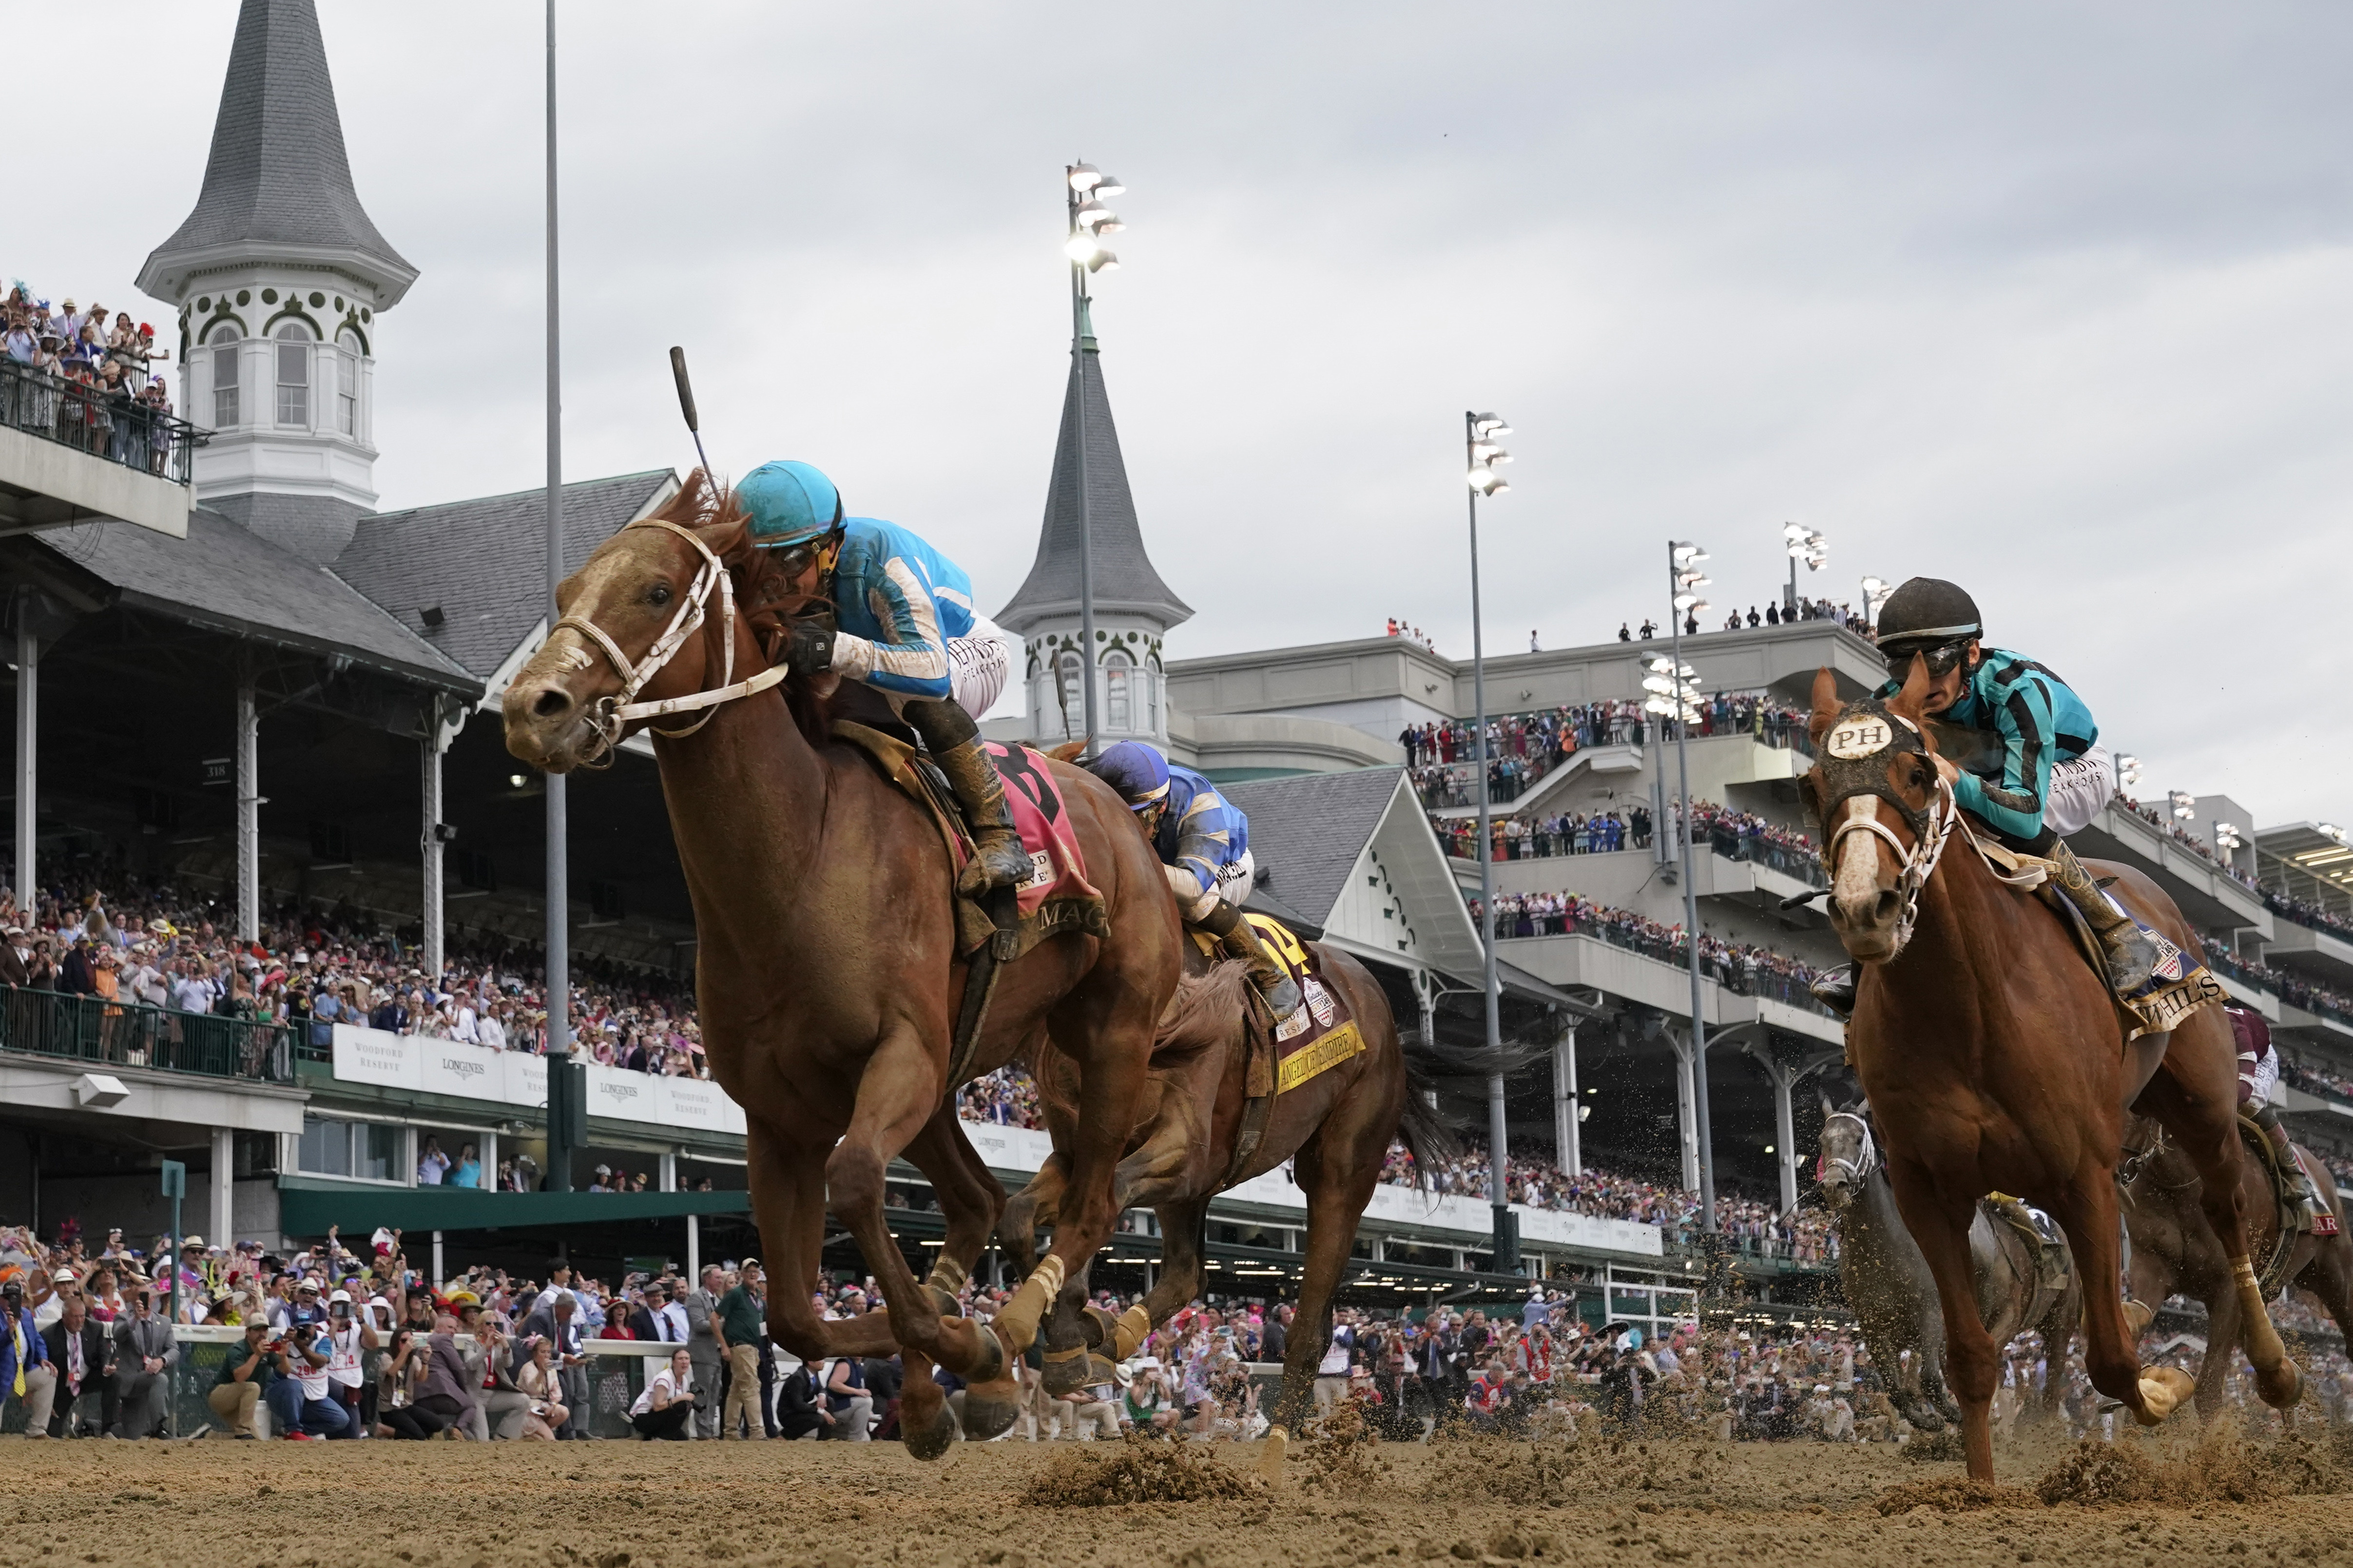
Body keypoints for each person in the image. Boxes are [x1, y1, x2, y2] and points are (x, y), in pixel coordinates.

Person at [1810, 577, 2161, 1013]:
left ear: (1971, 653)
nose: (1923, 680)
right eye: (1902, 667)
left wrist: (1961, 782)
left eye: (1937, 661)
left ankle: (2116, 931)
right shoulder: (1890, 704)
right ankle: (1865, 963)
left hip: (2073, 769)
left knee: (1992, 815)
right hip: (1987, 769)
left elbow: (2028, 813)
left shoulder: (2018, 690)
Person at [735, 459, 1028, 894]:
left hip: (965, 652)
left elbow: (931, 672)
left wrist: (829, 648)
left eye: (793, 560)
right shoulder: (794, 573)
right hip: (883, 660)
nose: (777, 580)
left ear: (830, 546)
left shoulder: (882, 558)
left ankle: (999, 834)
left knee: (906, 695)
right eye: (761, 565)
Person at [1084, 740, 1303, 1020]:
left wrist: (1130, 862)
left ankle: (1271, 977)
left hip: (1224, 865)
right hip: (1159, 864)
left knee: (1193, 902)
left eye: (1136, 819)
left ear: (1160, 808)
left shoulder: (1201, 805)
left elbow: (1191, 887)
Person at [110, 1285, 176, 1437]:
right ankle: (158, 1427)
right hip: (129, 1379)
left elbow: (174, 1350)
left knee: (133, 1433)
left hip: (149, 1377)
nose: (141, 1299)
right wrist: (134, 1320)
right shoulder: (123, 1317)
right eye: (138, 1296)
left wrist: (162, 1360)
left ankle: (158, 1427)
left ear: (152, 1298)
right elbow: (117, 1335)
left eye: (145, 1296)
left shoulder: (164, 1322)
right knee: (132, 1434)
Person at [41, 1294, 113, 1436]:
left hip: (87, 1378)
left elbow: (104, 1352)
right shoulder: (48, 1336)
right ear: (64, 1317)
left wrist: (106, 1366)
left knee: (114, 1378)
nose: (80, 1321)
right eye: (75, 1317)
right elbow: (44, 1368)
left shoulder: (96, 1328)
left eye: (82, 1316)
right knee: (54, 1433)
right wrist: (49, 1402)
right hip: (63, 1386)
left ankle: (108, 1429)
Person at [714, 1260, 766, 1439]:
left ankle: (731, 1431)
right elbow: (714, 1318)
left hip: (752, 1347)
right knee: (751, 1387)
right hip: (741, 1346)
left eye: (756, 1271)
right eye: (749, 1271)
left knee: (736, 1390)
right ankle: (756, 1431)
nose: (753, 1274)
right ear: (742, 1274)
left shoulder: (758, 1295)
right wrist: (724, 1345)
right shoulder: (736, 1294)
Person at [1, 1276, 56, 1438]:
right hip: (2, 1375)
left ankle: (37, 1430)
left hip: (22, 1372)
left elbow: (37, 1339)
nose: (11, 1301)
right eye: (7, 1297)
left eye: (16, 1298)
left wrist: (42, 1358)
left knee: (48, 1374)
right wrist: (9, 1333)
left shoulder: (25, 1314)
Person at [207, 1318, 276, 1438]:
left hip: (240, 1400)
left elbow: (285, 1371)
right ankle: (243, 1429)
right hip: (220, 1395)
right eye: (257, 1330)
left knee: (253, 1441)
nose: (262, 1334)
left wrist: (284, 1356)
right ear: (248, 1332)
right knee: (253, 1387)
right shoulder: (238, 1349)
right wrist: (257, 1355)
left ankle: (211, 1436)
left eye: (265, 1330)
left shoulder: (267, 1349)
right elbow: (240, 1377)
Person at [629, 1346, 696, 1440]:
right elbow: (657, 1406)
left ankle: (656, 1435)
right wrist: (681, 1398)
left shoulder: (684, 1380)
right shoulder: (665, 1378)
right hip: (643, 1417)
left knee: (683, 1438)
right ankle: (659, 1436)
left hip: (658, 1417)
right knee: (681, 1405)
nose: (684, 1362)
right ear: (673, 1362)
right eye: (680, 1359)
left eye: (687, 1359)